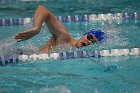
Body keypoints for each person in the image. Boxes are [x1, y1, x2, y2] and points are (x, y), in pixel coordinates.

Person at [15, 5, 105, 54]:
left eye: (93, 42)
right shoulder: (65, 38)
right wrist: (36, 29)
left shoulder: (74, 52)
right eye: (89, 37)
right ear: (84, 34)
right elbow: (42, 9)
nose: (89, 42)